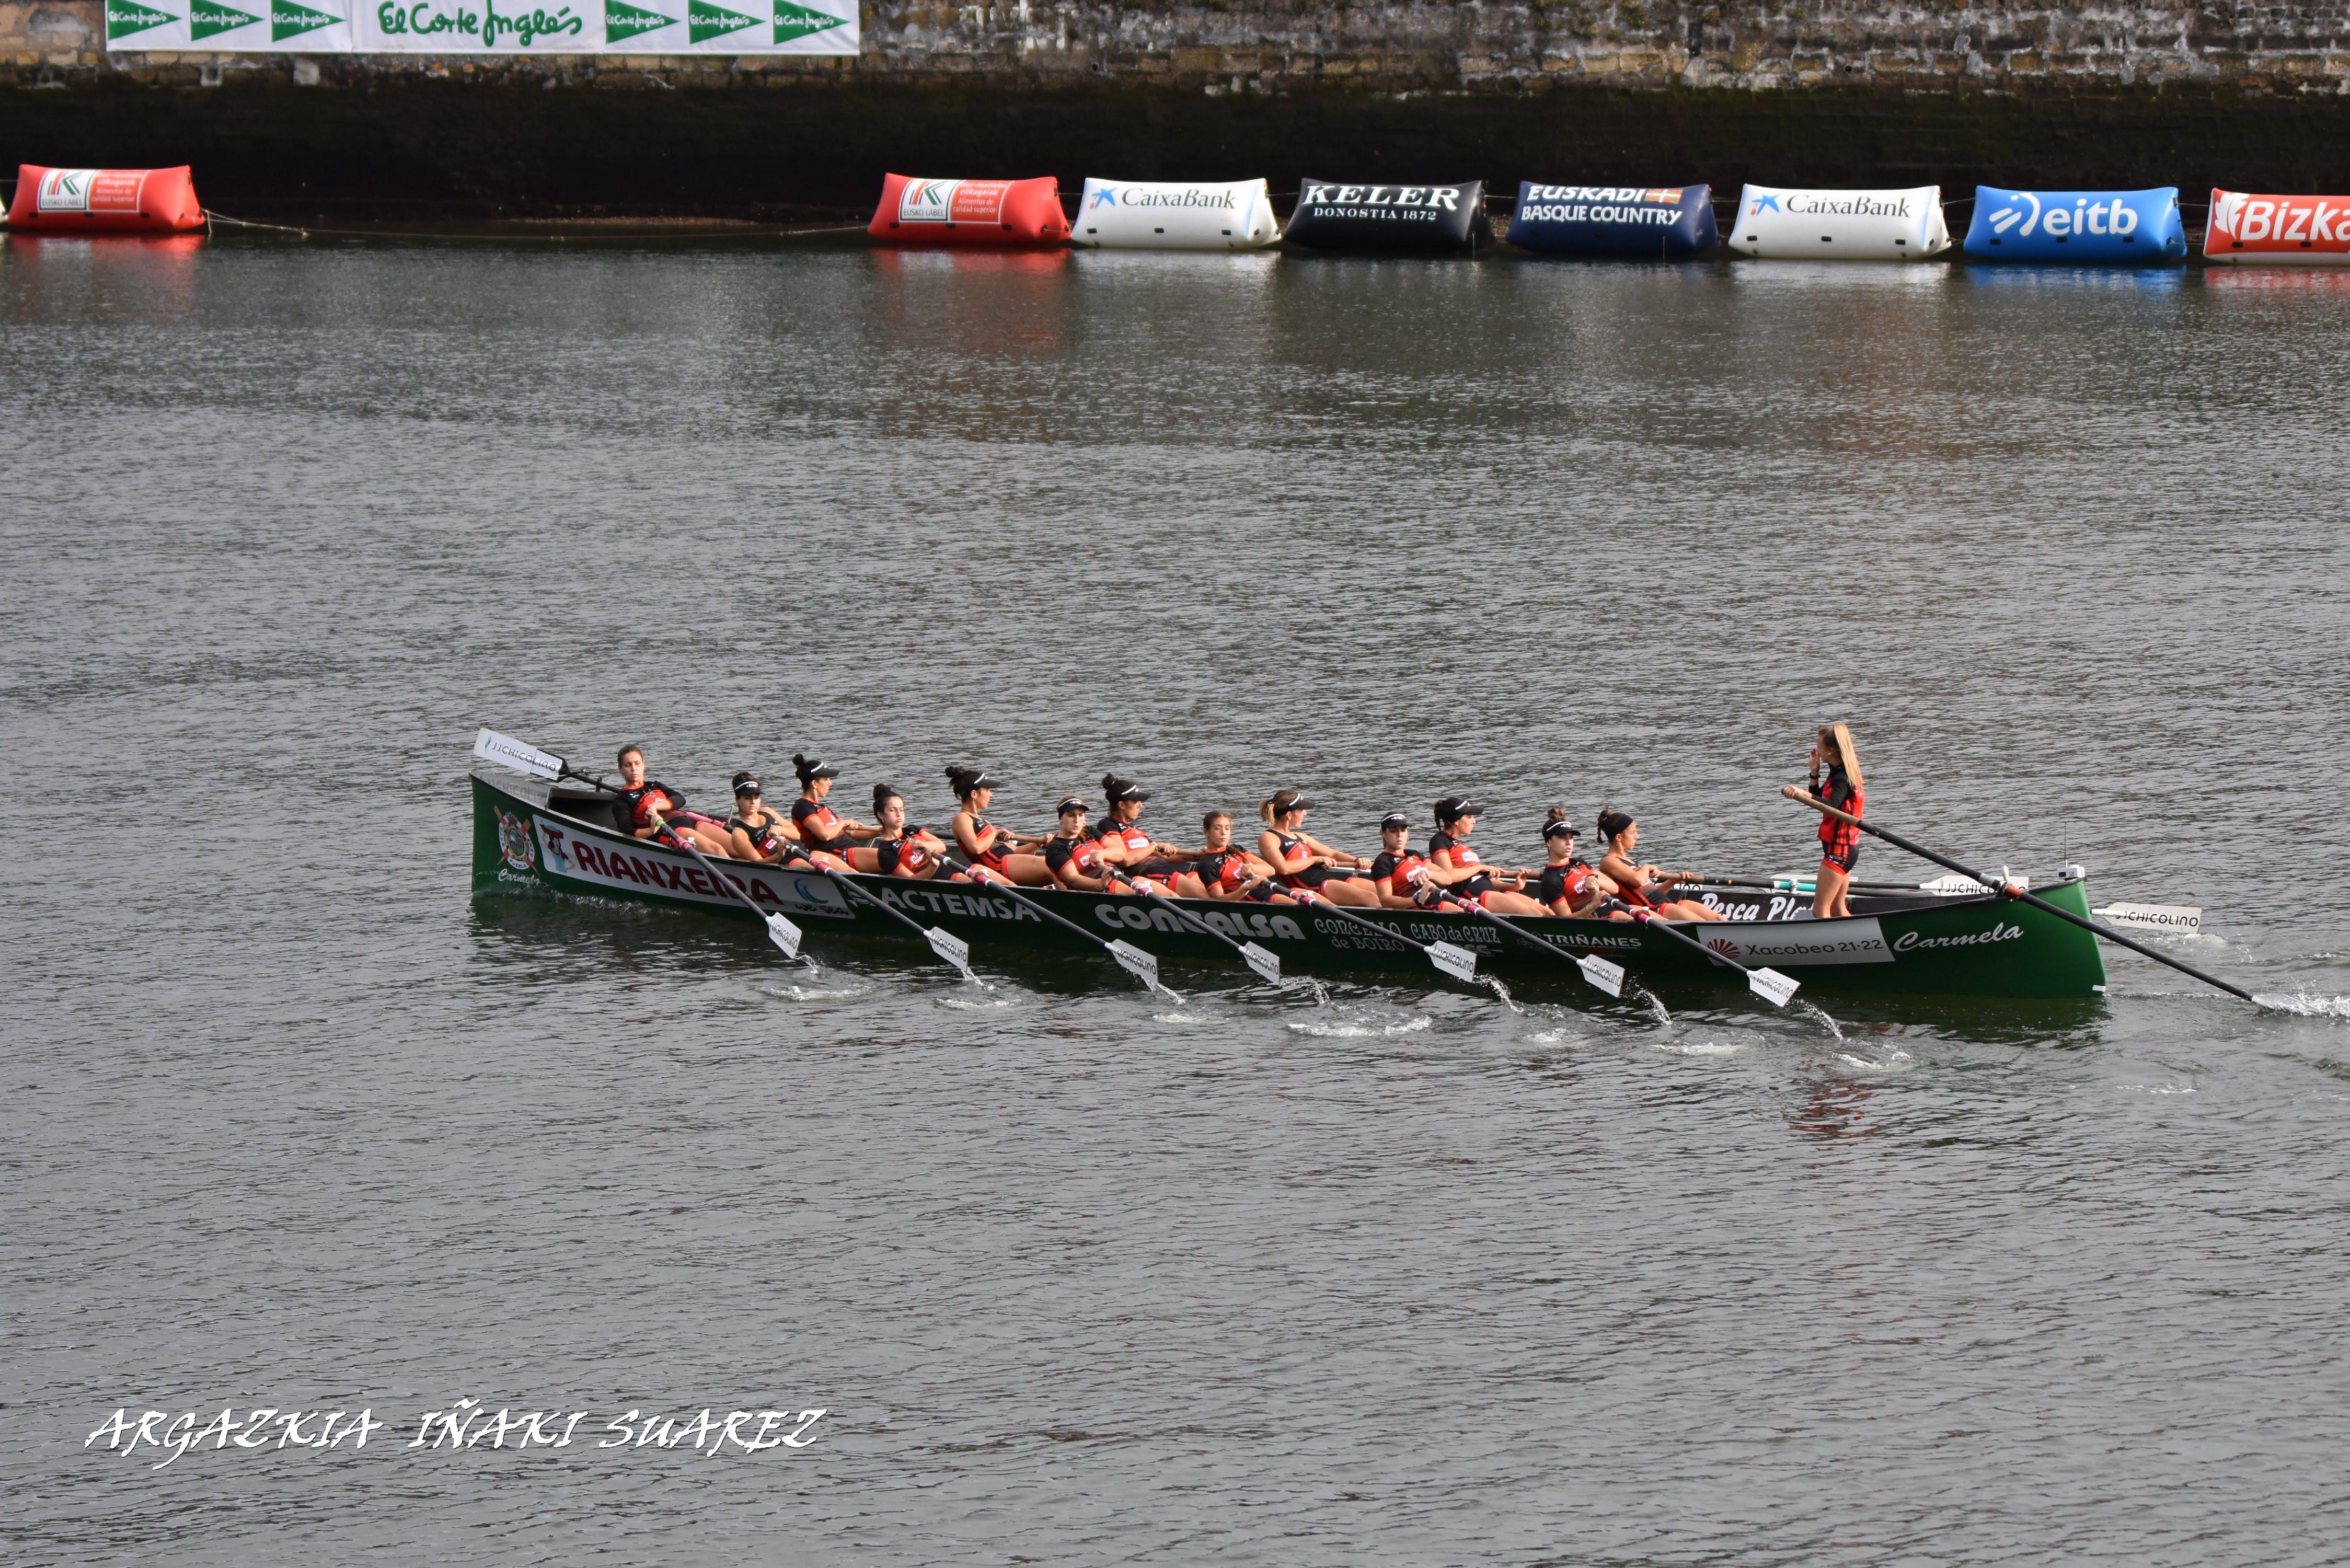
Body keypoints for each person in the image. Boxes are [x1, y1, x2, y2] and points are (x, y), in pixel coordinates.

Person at [1257, 789, 1382, 907]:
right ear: (1289, 815)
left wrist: (1357, 860)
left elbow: (1332, 854)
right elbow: (1283, 869)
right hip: (1313, 885)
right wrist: (1314, 859)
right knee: (1370, 898)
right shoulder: (1269, 837)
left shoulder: (1301, 836)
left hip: (1327, 878)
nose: (1305, 814)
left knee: (1382, 891)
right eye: (1302, 810)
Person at [1595, 808, 1724, 921]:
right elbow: (1638, 881)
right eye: (1633, 833)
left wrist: (1673, 880)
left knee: (1718, 919)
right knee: (1702, 924)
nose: (1637, 837)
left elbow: (1652, 892)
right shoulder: (1609, 861)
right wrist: (1646, 867)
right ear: (1619, 837)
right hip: (1653, 910)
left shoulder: (1629, 860)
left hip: (1665, 904)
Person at [1426, 797, 1547, 915]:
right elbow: (1448, 876)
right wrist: (1480, 867)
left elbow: (1482, 878)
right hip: (1474, 893)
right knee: (1534, 914)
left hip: (1489, 889)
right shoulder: (1439, 841)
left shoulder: (1461, 845)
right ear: (1456, 820)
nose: (1474, 821)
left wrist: (1514, 886)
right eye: (1469, 817)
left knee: (1547, 913)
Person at [610, 744, 736, 857]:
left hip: (687, 821)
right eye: (628, 765)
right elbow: (627, 832)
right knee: (717, 850)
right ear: (620, 769)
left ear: (644, 764)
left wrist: (656, 807)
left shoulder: (655, 785)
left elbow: (680, 800)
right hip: (669, 829)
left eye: (637, 763)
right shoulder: (622, 800)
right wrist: (650, 831)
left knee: (737, 846)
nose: (634, 768)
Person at [1092, 774, 1203, 893]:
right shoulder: (1108, 825)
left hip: (1164, 867)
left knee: (1202, 883)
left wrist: (1197, 855)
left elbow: (1162, 856)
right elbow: (1125, 860)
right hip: (1148, 871)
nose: (1141, 805)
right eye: (1136, 801)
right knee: (1203, 895)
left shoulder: (1135, 830)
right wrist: (1154, 846)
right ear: (1122, 805)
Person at [945, 765, 1054, 886]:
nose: (991, 795)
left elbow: (1016, 851)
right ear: (974, 794)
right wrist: (995, 833)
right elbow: (976, 848)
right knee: (1054, 867)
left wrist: (1038, 843)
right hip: (998, 865)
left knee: (1064, 864)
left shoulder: (984, 822)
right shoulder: (962, 818)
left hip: (1009, 861)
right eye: (987, 790)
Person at [1366, 812, 1488, 911]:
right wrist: (1417, 900)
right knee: (1466, 913)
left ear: (1408, 834)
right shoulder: (1383, 862)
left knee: (1483, 912)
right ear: (1382, 833)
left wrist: (1429, 874)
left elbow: (1447, 879)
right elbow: (1386, 900)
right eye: (1393, 831)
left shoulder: (1414, 854)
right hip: (1422, 905)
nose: (1399, 835)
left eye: (1403, 830)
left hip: (1443, 895)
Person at [1807, 723, 1866, 919]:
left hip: (1840, 850)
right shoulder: (1838, 771)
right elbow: (1822, 798)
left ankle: (1830, 947)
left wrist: (1799, 794)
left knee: (1820, 911)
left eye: (1820, 747)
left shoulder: (1842, 777)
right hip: (1843, 849)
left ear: (1831, 750)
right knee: (1837, 910)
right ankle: (1858, 942)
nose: (1819, 751)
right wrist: (1814, 773)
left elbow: (1830, 805)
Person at [790, 753, 883, 871]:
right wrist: (842, 824)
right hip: (835, 855)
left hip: (850, 850)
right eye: (826, 779)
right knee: (889, 858)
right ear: (814, 783)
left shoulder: (823, 808)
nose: (830, 783)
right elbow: (825, 835)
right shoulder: (802, 806)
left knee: (901, 854)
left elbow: (853, 834)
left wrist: (881, 831)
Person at [1533, 809, 1629, 919]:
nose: (1569, 842)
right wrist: (1592, 906)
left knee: (1642, 911)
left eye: (1571, 838)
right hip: (1601, 917)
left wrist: (1593, 878)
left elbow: (1614, 888)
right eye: (1562, 838)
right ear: (1549, 842)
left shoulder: (1578, 862)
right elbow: (1567, 921)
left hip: (1616, 907)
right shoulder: (1551, 880)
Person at [1191, 811, 1289, 903]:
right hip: (1256, 899)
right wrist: (1247, 887)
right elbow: (1220, 900)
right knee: (1298, 902)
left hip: (1269, 890)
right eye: (1217, 828)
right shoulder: (1207, 864)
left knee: (1299, 891)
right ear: (1206, 833)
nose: (1224, 833)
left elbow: (1271, 870)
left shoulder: (1236, 849)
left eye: (1227, 828)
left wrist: (1251, 869)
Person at [869, 784, 961, 881]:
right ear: (881, 815)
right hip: (939, 878)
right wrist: (932, 867)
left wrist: (924, 844)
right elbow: (911, 881)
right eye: (892, 810)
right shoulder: (886, 851)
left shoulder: (912, 830)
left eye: (901, 810)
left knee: (977, 868)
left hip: (952, 866)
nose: (899, 814)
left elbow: (942, 846)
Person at [722, 773, 819, 864]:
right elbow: (758, 864)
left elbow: (796, 834)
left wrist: (779, 829)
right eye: (747, 798)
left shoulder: (768, 812)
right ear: (737, 800)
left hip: (805, 853)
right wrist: (778, 855)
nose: (753, 802)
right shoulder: (740, 834)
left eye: (756, 798)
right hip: (788, 863)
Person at [1042, 796, 1122, 891]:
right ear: (1061, 819)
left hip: (1116, 876)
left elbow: (1120, 852)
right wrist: (1100, 883)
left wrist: (1101, 853)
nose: (1077, 820)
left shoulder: (1089, 832)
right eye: (1071, 815)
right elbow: (1074, 879)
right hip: (1095, 890)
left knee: (1143, 883)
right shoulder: (1056, 848)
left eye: (1081, 815)